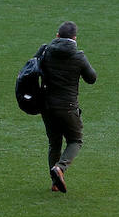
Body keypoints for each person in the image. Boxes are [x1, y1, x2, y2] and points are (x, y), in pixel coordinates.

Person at [38, 20, 97, 193]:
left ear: (57, 36)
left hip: (47, 106)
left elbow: (33, 67)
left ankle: (55, 183)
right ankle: (60, 168)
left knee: (54, 143)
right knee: (75, 140)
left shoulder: (46, 51)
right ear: (74, 38)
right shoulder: (78, 56)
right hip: (68, 106)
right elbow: (92, 78)